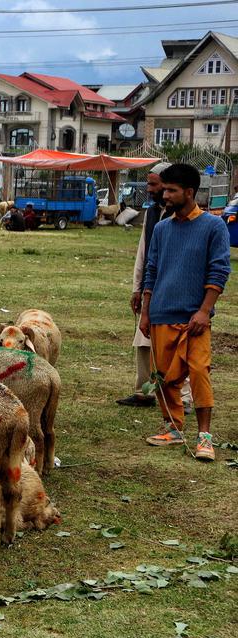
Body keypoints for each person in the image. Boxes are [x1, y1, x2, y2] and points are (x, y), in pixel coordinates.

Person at [139, 163, 230, 461]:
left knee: (200, 372)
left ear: (189, 192)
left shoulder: (213, 226)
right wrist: (146, 313)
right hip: (161, 314)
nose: (165, 195)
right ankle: (173, 428)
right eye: (164, 189)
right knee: (163, 377)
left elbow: (219, 272)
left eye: (171, 190)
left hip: (195, 319)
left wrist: (205, 311)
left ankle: (205, 438)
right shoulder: (163, 228)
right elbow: (151, 271)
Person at [118, 163, 173, 408]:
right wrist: (136, 289)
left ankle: (182, 397)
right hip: (150, 287)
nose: (149, 189)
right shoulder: (151, 213)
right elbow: (143, 253)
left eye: (153, 184)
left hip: (174, 290)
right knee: (143, 340)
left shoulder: (182, 216)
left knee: (176, 343)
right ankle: (144, 392)